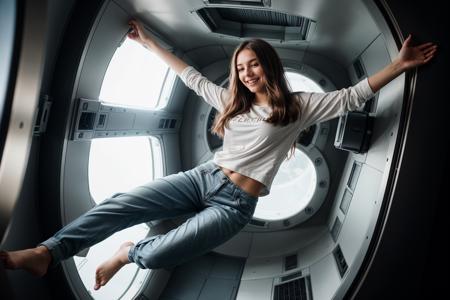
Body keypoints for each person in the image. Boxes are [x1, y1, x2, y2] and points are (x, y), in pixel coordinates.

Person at [0, 19, 437, 291]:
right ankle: (47, 252)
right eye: (241, 68)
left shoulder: (299, 105)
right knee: (123, 202)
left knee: (155, 254)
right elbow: (188, 76)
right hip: (203, 177)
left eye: (254, 65)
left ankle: (125, 252)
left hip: (235, 205)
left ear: (269, 64)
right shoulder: (232, 100)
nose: (247, 74)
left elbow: (350, 96)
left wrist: (399, 65)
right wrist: (148, 42)